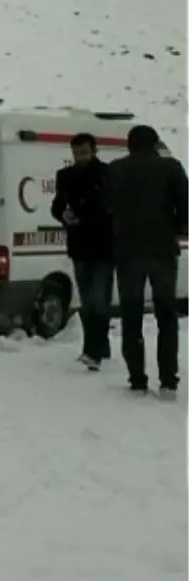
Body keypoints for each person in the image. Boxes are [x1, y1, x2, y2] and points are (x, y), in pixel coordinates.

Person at [104, 125, 188, 398]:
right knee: (166, 316)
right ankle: (168, 382)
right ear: (154, 144)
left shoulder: (115, 169)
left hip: (127, 251)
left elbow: (107, 206)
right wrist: (174, 228)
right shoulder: (171, 168)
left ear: (129, 145)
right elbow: (185, 206)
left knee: (131, 316)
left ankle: (138, 379)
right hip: (162, 250)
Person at [49, 133, 113, 370]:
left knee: (99, 300)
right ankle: (97, 346)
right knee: (88, 300)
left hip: (104, 245)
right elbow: (57, 204)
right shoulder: (65, 176)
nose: (80, 158)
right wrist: (63, 215)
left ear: (94, 151)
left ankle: (93, 351)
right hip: (79, 245)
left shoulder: (107, 174)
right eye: (76, 154)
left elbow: (110, 209)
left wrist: (83, 217)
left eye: (84, 153)